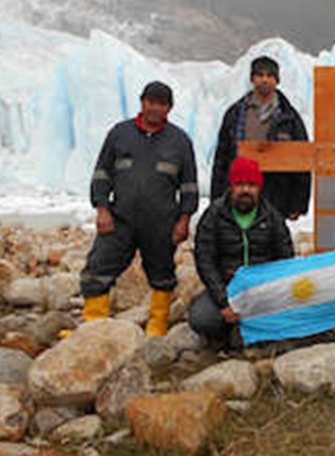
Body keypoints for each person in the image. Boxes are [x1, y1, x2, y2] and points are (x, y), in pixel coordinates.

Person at [77, 81, 198, 337]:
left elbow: (188, 185)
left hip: (161, 222)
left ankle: (157, 325)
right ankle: (93, 324)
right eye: (151, 101)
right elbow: (101, 173)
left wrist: (184, 219)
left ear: (170, 108)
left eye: (161, 103)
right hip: (119, 218)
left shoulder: (180, 141)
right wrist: (102, 208)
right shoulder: (120, 134)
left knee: (162, 272)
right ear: (142, 102)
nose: (155, 108)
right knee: (98, 267)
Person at [189, 156, 294, 347]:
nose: (246, 190)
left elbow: (286, 257)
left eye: (252, 185)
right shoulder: (214, 215)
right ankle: (225, 335)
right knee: (202, 319)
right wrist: (223, 302)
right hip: (227, 287)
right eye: (240, 184)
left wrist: (271, 294)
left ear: (259, 187)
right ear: (232, 186)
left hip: (262, 288)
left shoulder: (272, 216)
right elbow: (205, 260)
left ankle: (251, 331)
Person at [210, 56, 310, 220]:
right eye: (260, 75)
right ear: (252, 79)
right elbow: (222, 157)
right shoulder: (235, 114)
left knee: (273, 242)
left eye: (270, 76)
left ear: (277, 80)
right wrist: (217, 199)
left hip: (276, 194)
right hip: (239, 193)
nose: (265, 80)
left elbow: (302, 161)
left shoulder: (290, 117)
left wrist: (298, 202)